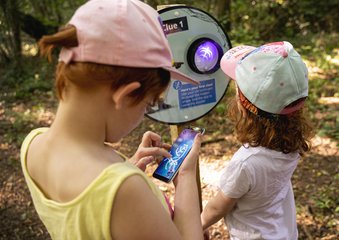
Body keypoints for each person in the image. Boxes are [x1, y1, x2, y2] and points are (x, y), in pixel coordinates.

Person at [20, 0, 204, 239]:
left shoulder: (33, 144)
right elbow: (111, 194)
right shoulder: (126, 190)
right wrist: (187, 175)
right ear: (126, 95)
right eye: (148, 105)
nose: (144, 115)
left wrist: (126, 165)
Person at [201, 41, 314, 240]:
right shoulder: (292, 143)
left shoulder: (246, 163)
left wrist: (197, 225)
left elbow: (219, 206)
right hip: (284, 233)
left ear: (244, 107)